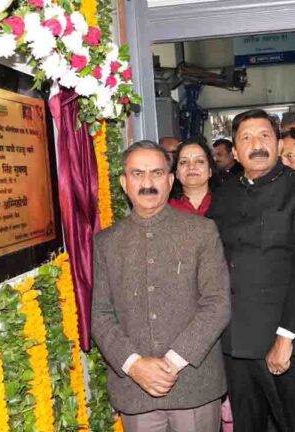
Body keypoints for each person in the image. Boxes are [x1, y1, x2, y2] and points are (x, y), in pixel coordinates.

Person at [91, 140, 231, 432]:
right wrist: (134, 365)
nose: (147, 182)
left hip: (193, 384)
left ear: (170, 181)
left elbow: (217, 305)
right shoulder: (106, 242)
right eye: (138, 174)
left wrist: (171, 363)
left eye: (156, 173)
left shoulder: (201, 232)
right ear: (124, 182)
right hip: (134, 388)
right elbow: (100, 314)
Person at [208, 109, 295, 432]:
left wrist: (285, 338)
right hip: (233, 341)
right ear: (234, 151)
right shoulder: (224, 195)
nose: (256, 144)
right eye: (246, 138)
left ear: (277, 145)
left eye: (264, 136)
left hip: (280, 341)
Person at [170, 141, 215, 216]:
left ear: (210, 171)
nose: (191, 167)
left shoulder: (226, 204)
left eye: (199, 161)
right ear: (177, 173)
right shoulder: (167, 208)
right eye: (184, 162)